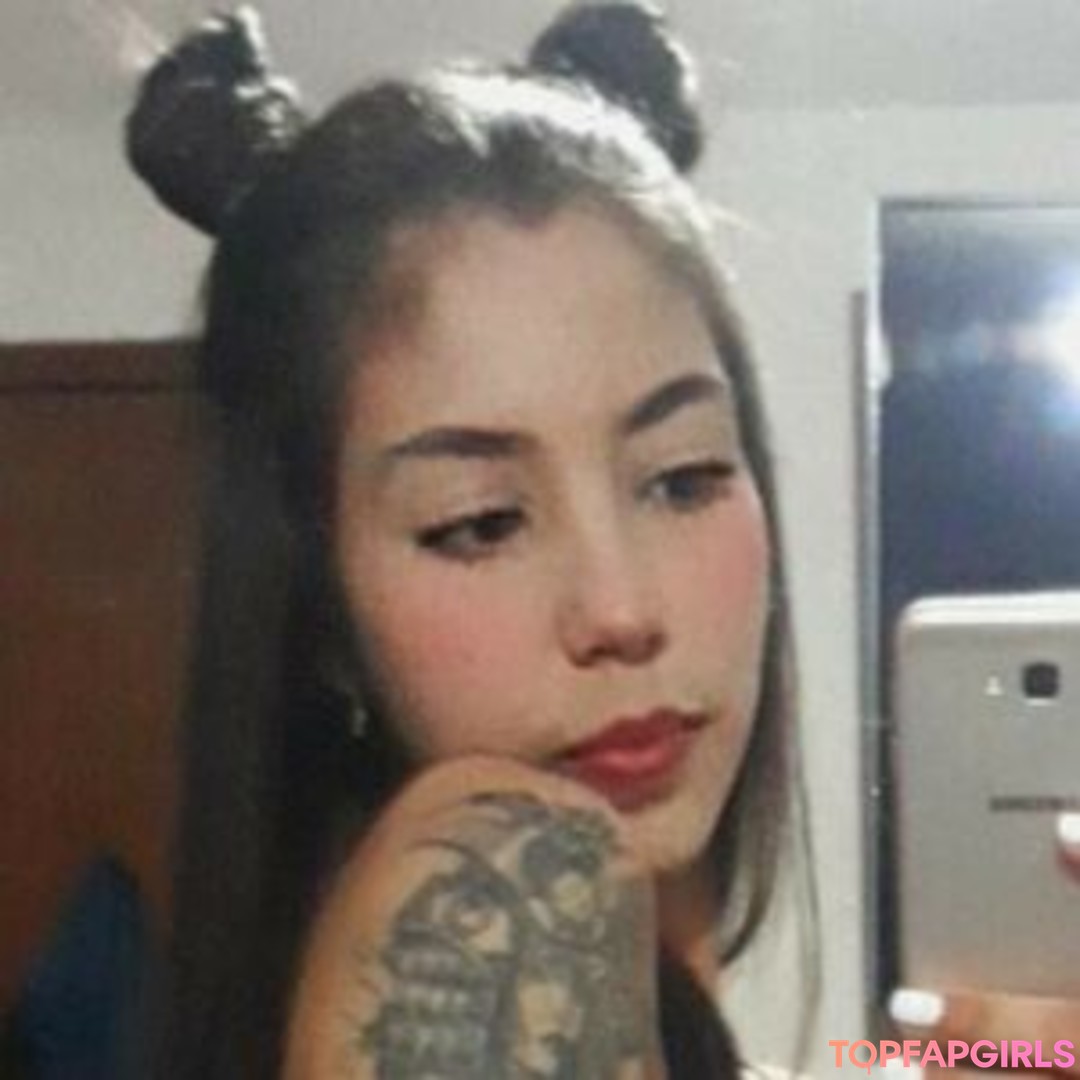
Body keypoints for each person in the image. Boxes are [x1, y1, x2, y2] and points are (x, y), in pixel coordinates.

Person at [124, 3, 1076, 1077]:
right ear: (323, 615)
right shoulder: (477, 893)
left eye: (683, 478)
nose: (622, 609)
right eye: (480, 523)